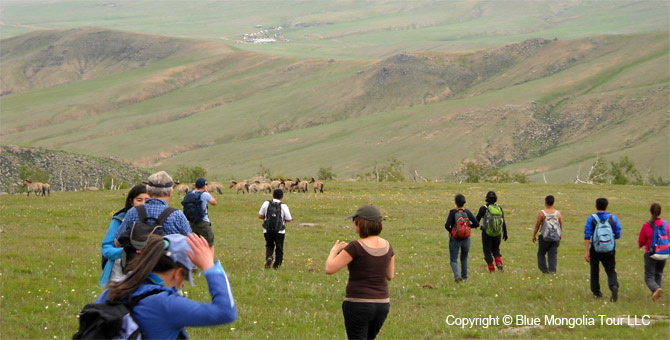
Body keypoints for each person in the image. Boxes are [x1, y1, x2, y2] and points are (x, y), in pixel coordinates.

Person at [94, 233, 236, 338]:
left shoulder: (112, 292)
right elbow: (225, 312)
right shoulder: (165, 304)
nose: (181, 285)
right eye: (184, 278)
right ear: (177, 273)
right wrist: (210, 267)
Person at [325, 204, 395, 340]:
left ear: (360, 223)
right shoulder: (388, 246)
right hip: (382, 304)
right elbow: (390, 276)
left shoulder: (355, 247)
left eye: (354, 221)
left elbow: (329, 269)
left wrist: (334, 250)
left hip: (358, 304)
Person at [115, 171, 191, 243]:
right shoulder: (177, 215)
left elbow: (118, 241)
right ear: (170, 192)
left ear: (147, 191)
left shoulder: (132, 212)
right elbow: (190, 242)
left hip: (139, 256)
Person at [99, 184, 150, 287]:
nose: (143, 204)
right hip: (118, 275)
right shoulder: (119, 220)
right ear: (131, 201)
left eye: (147, 200)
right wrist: (125, 251)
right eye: (139, 200)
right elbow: (106, 248)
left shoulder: (155, 221)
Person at [584, 197, 622, 302]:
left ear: (596, 206)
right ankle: (613, 285)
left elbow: (587, 235)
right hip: (609, 249)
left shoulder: (591, 219)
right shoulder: (613, 218)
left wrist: (586, 252)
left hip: (595, 249)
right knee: (610, 270)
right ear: (607, 206)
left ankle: (596, 292)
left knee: (594, 270)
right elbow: (618, 234)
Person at [444, 194, 479, 282]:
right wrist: (468, 227)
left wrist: (452, 231)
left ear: (455, 202)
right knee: (464, 258)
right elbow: (477, 224)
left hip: (455, 239)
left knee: (453, 260)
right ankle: (464, 278)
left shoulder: (452, 212)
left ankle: (457, 275)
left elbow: (447, 225)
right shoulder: (467, 212)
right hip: (466, 239)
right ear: (464, 203)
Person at [638, 203, 667, 301]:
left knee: (648, 276)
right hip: (663, 253)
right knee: (658, 274)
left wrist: (640, 245)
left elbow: (641, 240)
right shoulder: (665, 225)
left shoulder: (646, 225)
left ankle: (655, 289)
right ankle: (657, 295)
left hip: (651, 253)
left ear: (650, 212)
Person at [258, 189, 292, 269]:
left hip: (267, 229)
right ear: (282, 197)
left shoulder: (266, 203)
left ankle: (269, 256)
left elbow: (260, 216)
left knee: (269, 245)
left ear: (272, 195)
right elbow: (289, 219)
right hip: (280, 231)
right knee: (279, 248)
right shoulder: (284, 206)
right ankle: (276, 266)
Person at [476, 191, 508, 272]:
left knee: (487, 250)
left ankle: (491, 268)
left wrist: (470, 226)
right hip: (498, 233)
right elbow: (503, 221)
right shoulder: (499, 208)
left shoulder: (483, 208)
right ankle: (499, 263)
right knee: (496, 249)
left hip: (486, 233)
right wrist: (505, 233)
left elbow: (476, 221)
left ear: (486, 198)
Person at [532, 195, 563, 274]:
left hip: (544, 237)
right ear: (553, 203)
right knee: (553, 255)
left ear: (545, 202)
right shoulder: (558, 214)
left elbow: (537, 225)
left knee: (541, 253)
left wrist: (534, 235)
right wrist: (560, 235)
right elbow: (560, 225)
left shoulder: (542, 213)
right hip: (555, 238)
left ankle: (544, 270)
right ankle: (552, 272)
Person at [189, 177, 218, 247]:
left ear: (195, 186)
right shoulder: (204, 194)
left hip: (192, 222)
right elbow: (214, 202)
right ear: (204, 186)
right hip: (203, 222)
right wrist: (206, 191)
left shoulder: (189, 193)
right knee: (209, 245)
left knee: (195, 245)